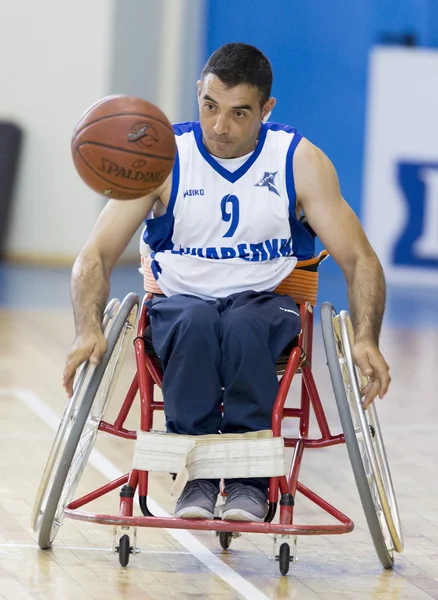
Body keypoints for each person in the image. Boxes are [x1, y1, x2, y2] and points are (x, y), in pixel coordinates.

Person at [63, 43, 390, 523]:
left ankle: (248, 482)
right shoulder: (162, 157)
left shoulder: (297, 161)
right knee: (195, 320)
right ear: (198, 91)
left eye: (239, 113)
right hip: (179, 304)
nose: (220, 126)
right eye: (210, 106)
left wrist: (366, 337)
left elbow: (361, 259)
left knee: (242, 324)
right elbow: (94, 255)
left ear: (267, 109)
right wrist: (87, 327)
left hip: (267, 303)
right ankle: (196, 476)